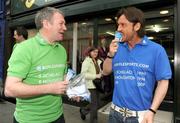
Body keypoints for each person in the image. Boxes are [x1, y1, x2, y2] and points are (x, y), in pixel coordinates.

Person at [4, 7, 79, 123]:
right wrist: (49, 88)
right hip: (29, 120)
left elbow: (63, 76)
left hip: (58, 116)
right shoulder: (24, 49)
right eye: (61, 23)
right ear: (46, 24)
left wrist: (71, 90)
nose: (65, 27)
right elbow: (9, 89)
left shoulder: (61, 50)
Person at [103, 7, 172, 123]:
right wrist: (110, 54)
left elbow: (163, 82)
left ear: (137, 26)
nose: (118, 29)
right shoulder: (117, 48)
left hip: (139, 117)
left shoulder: (156, 50)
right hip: (114, 113)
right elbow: (105, 71)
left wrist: (152, 111)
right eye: (118, 25)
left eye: (123, 25)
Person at [80, 46, 102, 123]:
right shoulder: (86, 61)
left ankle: (83, 111)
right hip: (90, 85)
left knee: (98, 103)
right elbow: (83, 74)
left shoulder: (98, 61)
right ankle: (94, 121)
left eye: (97, 52)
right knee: (94, 105)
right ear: (89, 52)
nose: (95, 53)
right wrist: (95, 76)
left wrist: (101, 74)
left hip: (97, 85)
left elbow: (98, 72)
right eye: (94, 52)